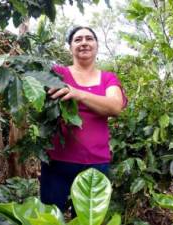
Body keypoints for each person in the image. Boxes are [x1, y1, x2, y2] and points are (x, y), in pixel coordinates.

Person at [39, 26, 127, 212]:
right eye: (78, 40)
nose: (84, 43)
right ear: (70, 47)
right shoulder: (57, 73)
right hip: (57, 161)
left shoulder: (108, 78)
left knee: (88, 219)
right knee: (50, 217)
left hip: (96, 164)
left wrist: (78, 94)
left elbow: (115, 106)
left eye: (89, 38)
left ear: (96, 45)